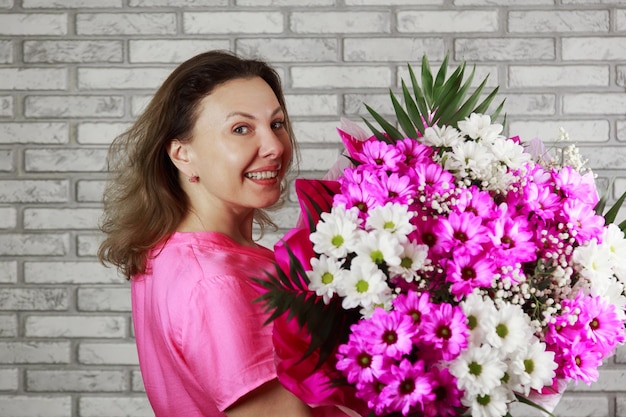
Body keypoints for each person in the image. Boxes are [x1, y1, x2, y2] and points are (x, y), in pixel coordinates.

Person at [97, 50, 350, 417]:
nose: (275, 147)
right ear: (183, 155)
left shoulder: (169, 250)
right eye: (241, 129)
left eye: (276, 124)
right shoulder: (216, 282)